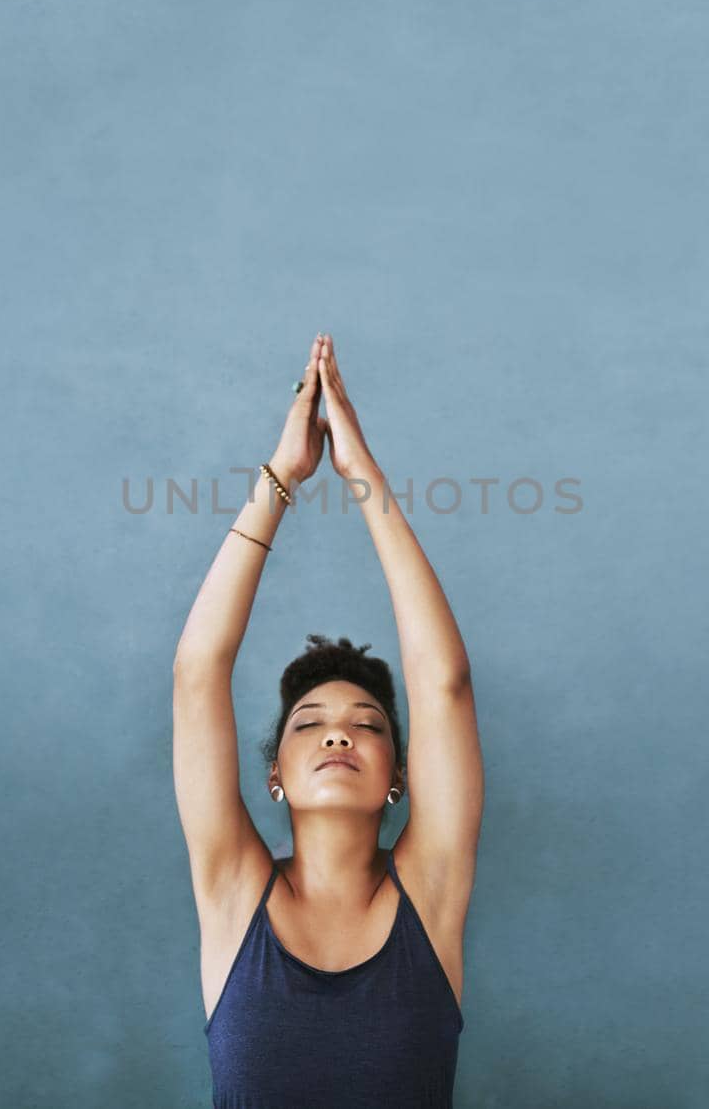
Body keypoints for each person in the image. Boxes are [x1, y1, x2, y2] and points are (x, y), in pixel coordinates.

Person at [173, 332, 484, 1108]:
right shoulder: (233, 891)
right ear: (273, 773)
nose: (340, 733)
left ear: (401, 778)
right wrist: (282, 476)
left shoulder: (429, 892)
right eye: (309, 722)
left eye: (370, 724)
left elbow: (443, 681)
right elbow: (196, 674)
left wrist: (362, 475)